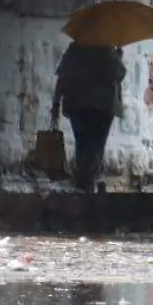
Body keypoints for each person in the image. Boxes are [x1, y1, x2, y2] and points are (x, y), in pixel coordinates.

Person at [51, 42, 126, 193]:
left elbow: (63, 77)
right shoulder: (109, 51)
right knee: (97, 145)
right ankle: (88, 182)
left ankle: (84, 182)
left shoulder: (75, 49)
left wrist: (56, 102)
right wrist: (118, 56)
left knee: (83, 144)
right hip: (103, 107)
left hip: (78, 105)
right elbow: (119, 75)